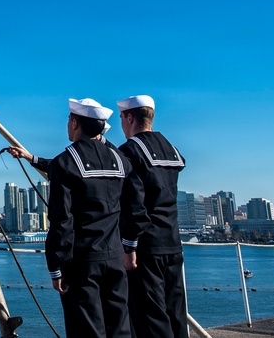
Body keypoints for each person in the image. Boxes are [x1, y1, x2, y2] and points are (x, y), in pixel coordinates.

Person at [43, 98, 148, 338]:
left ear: (75, 122)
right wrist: (129, 246)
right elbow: (136, 208)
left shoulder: (65, 162)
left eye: (69, 120)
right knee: (120, 328)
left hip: (81, 263)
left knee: (87, 330)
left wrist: (55, 268)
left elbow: (61, 221)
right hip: (114, 259)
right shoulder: (121, 160)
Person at [117, 95, 187, 338]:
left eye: (122, 119)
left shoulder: (130, 150)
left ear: (129, 117)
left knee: (150, 316)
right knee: (175, 311)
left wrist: (129, 247)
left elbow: (134, 205)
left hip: (146, 247)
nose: (121, 125)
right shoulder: (170, 149)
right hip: (173, 243)